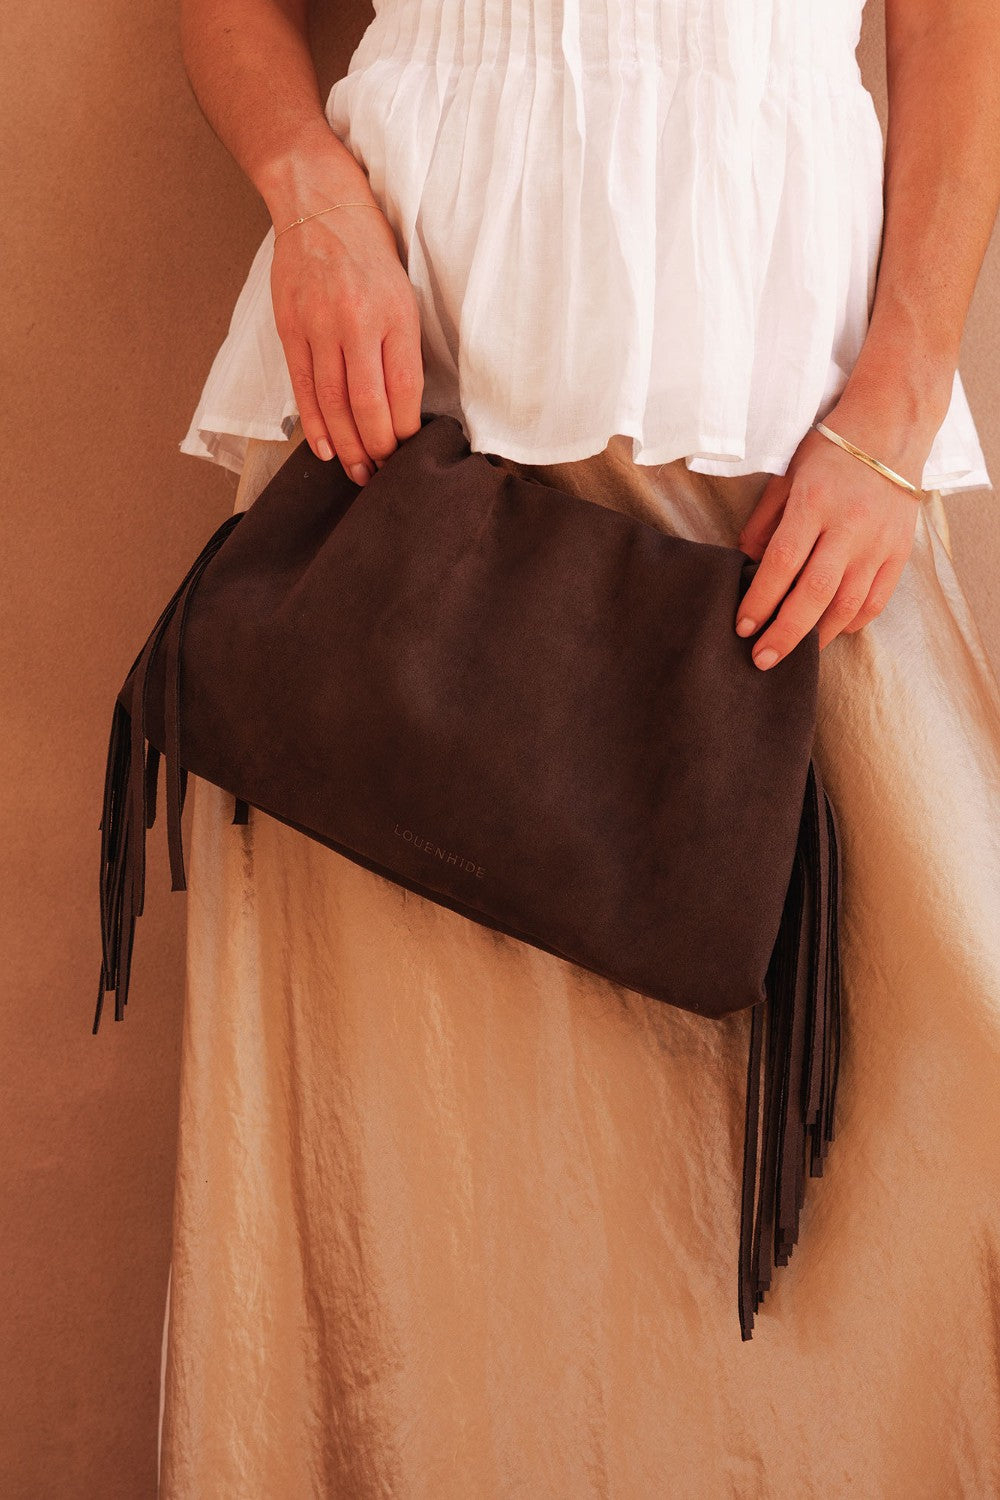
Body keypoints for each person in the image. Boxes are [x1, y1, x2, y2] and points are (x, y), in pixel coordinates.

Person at [158, 0, 1000, 1493]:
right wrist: (307, 188)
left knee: (928, 1080)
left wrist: (903, 385)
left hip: (786, 396)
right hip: (406, 392)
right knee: (426, 1167)